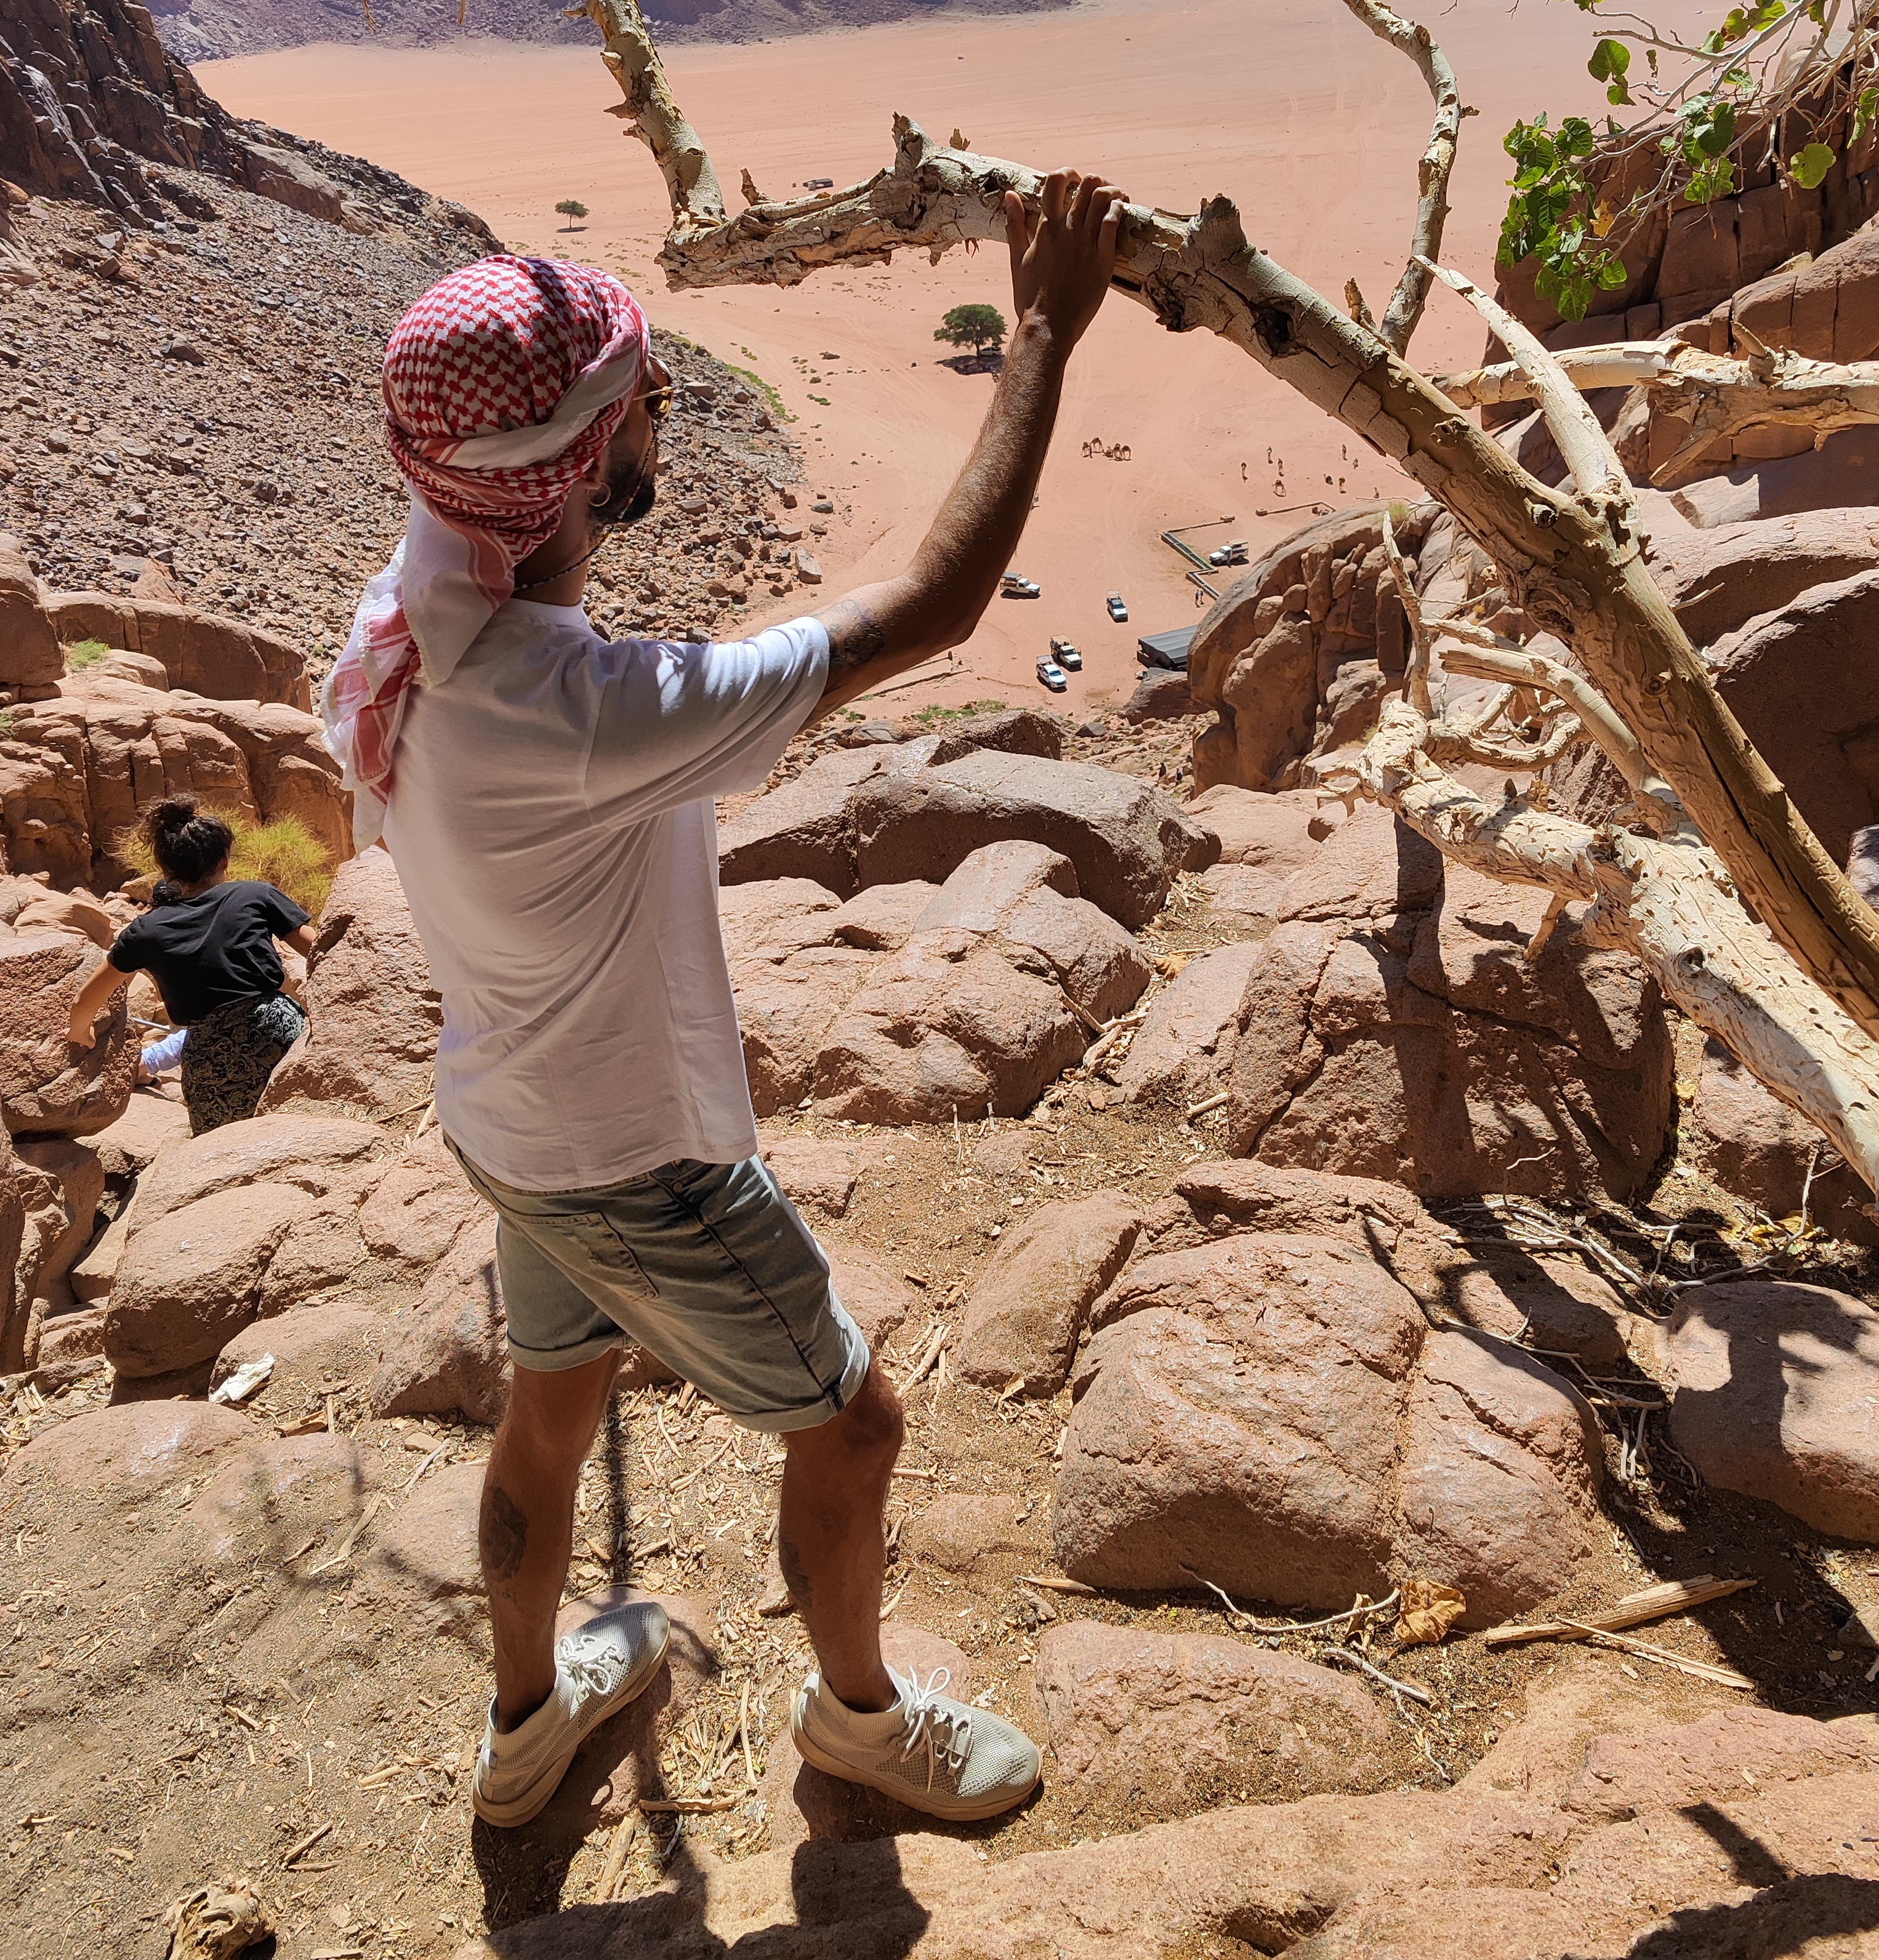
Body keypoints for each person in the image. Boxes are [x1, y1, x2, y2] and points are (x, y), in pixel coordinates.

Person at [318, 190, 1122, 1834]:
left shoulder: (417, 613)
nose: (663, 414)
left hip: (511, 1130)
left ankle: (529, 1728)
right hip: (643, 1165)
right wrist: (1043, 336)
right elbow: (937, 605)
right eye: (645, 398)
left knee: (550, 1412)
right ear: (586, 455)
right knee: (853, 1427)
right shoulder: (573, 711)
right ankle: (860, 1722)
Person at [65, 797, 316, 1131]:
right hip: (277, 1027)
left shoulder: (146, 929)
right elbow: (318, 950)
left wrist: (81, 1033)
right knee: (302, 1118)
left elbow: (86, 1000)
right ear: (225, 858)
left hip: (209, 1049)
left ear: (167, 871)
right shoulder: (255, 894)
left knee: (223, 1141)